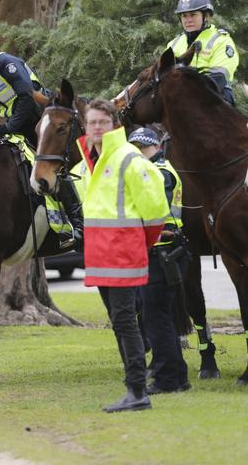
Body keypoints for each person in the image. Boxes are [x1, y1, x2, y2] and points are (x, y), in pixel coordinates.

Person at [0, 28, 83, 250]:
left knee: (51, 167)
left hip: (40, 119)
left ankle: (79, 225)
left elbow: (26, 98)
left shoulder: (5, 63)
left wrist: (8, 127)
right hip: (17, 123)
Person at [80, 100, 169, 413]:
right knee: (120, 323)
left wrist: (142, 243)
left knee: (126, 323)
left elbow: (157, 208)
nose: (97, 128)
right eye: (92, 122)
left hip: (123, 256)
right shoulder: (93, 159)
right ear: (86, 126)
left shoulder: (127, 157)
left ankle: (137, 391)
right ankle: (134, 389)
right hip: (102, 258)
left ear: (114, 123)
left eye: (103, 122)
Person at [128, 128, 191, 394]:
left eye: (137, 150)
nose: (135, 156)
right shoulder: (161, 168)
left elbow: (154, 212)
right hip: (164, 250)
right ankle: (178, 377)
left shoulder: (159, 172)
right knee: (161, 317)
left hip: (163, 251)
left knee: (157, 319)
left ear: (148, 147)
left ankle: (167, 380)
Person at [167, 0, 239, 105]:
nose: (188, 20)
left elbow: (218, 78)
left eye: (193, 14)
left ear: (206, 16)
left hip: (215, 97)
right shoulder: (173, 43)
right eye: (184, 16)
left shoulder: (221, 40)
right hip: (177, 99)